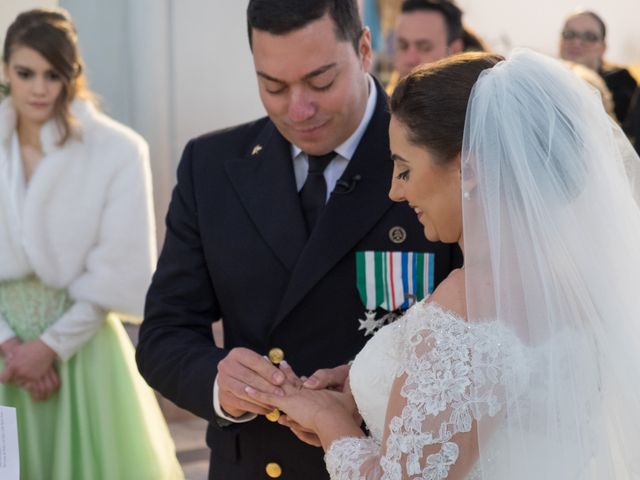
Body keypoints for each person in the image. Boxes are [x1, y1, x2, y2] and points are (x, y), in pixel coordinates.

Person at [244, 49, 640, 478]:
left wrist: (328, 421)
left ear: (467, 169)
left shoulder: (470, 301)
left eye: (405, 169)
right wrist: (364, 382)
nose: (395, 191)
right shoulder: (579, 285)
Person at [136, 0, 462, 478]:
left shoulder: (435, 154)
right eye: (273, 86)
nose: (299, 108)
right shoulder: (210, 166)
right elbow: (164, 334)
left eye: (321, 82)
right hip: (254, 462)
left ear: (364, 49)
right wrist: (219, 382)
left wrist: (366, 385)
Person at [0, 8, 183, 479]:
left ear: (72, 77)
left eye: (53, 74)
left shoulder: (118, 152)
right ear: (5, 71)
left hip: (85, 358)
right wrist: (11, 347)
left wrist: (48, 347)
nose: (39, 88)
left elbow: (119, 272)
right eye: (25, 73)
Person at [385, 0, 486, 94]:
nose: (410, 59)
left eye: (425, 48)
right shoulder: (382, 106)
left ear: (455, 51)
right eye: (403, 46)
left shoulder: (479, 103)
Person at [559, 10, 637, 124]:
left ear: (603, 47)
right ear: (560, 41)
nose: (576, 42)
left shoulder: (620, 84)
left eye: (589, 36)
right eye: (569, 34)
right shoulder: (542, 81)